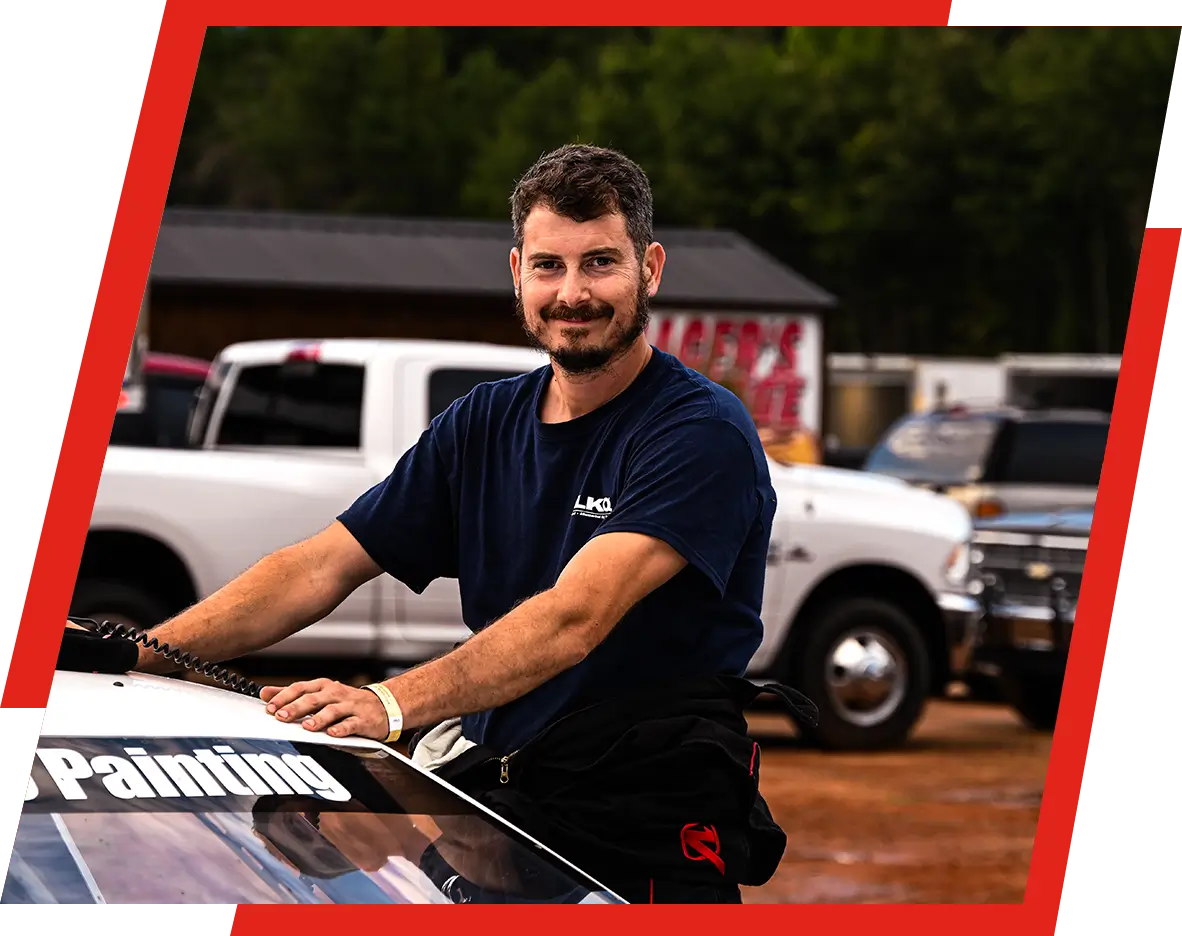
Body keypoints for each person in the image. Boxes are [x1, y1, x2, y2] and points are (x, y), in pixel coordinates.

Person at [87, 143, 816, 904]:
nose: (573, 294)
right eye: (548, 266)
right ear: (517, 274)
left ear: (651, 268)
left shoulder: (698, 430)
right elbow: (323, 565)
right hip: (499, 811)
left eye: (600, 263)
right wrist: (142, 653)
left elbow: (576, 617)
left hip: (640, 822)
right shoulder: (483, 423)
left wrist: (391, 705)